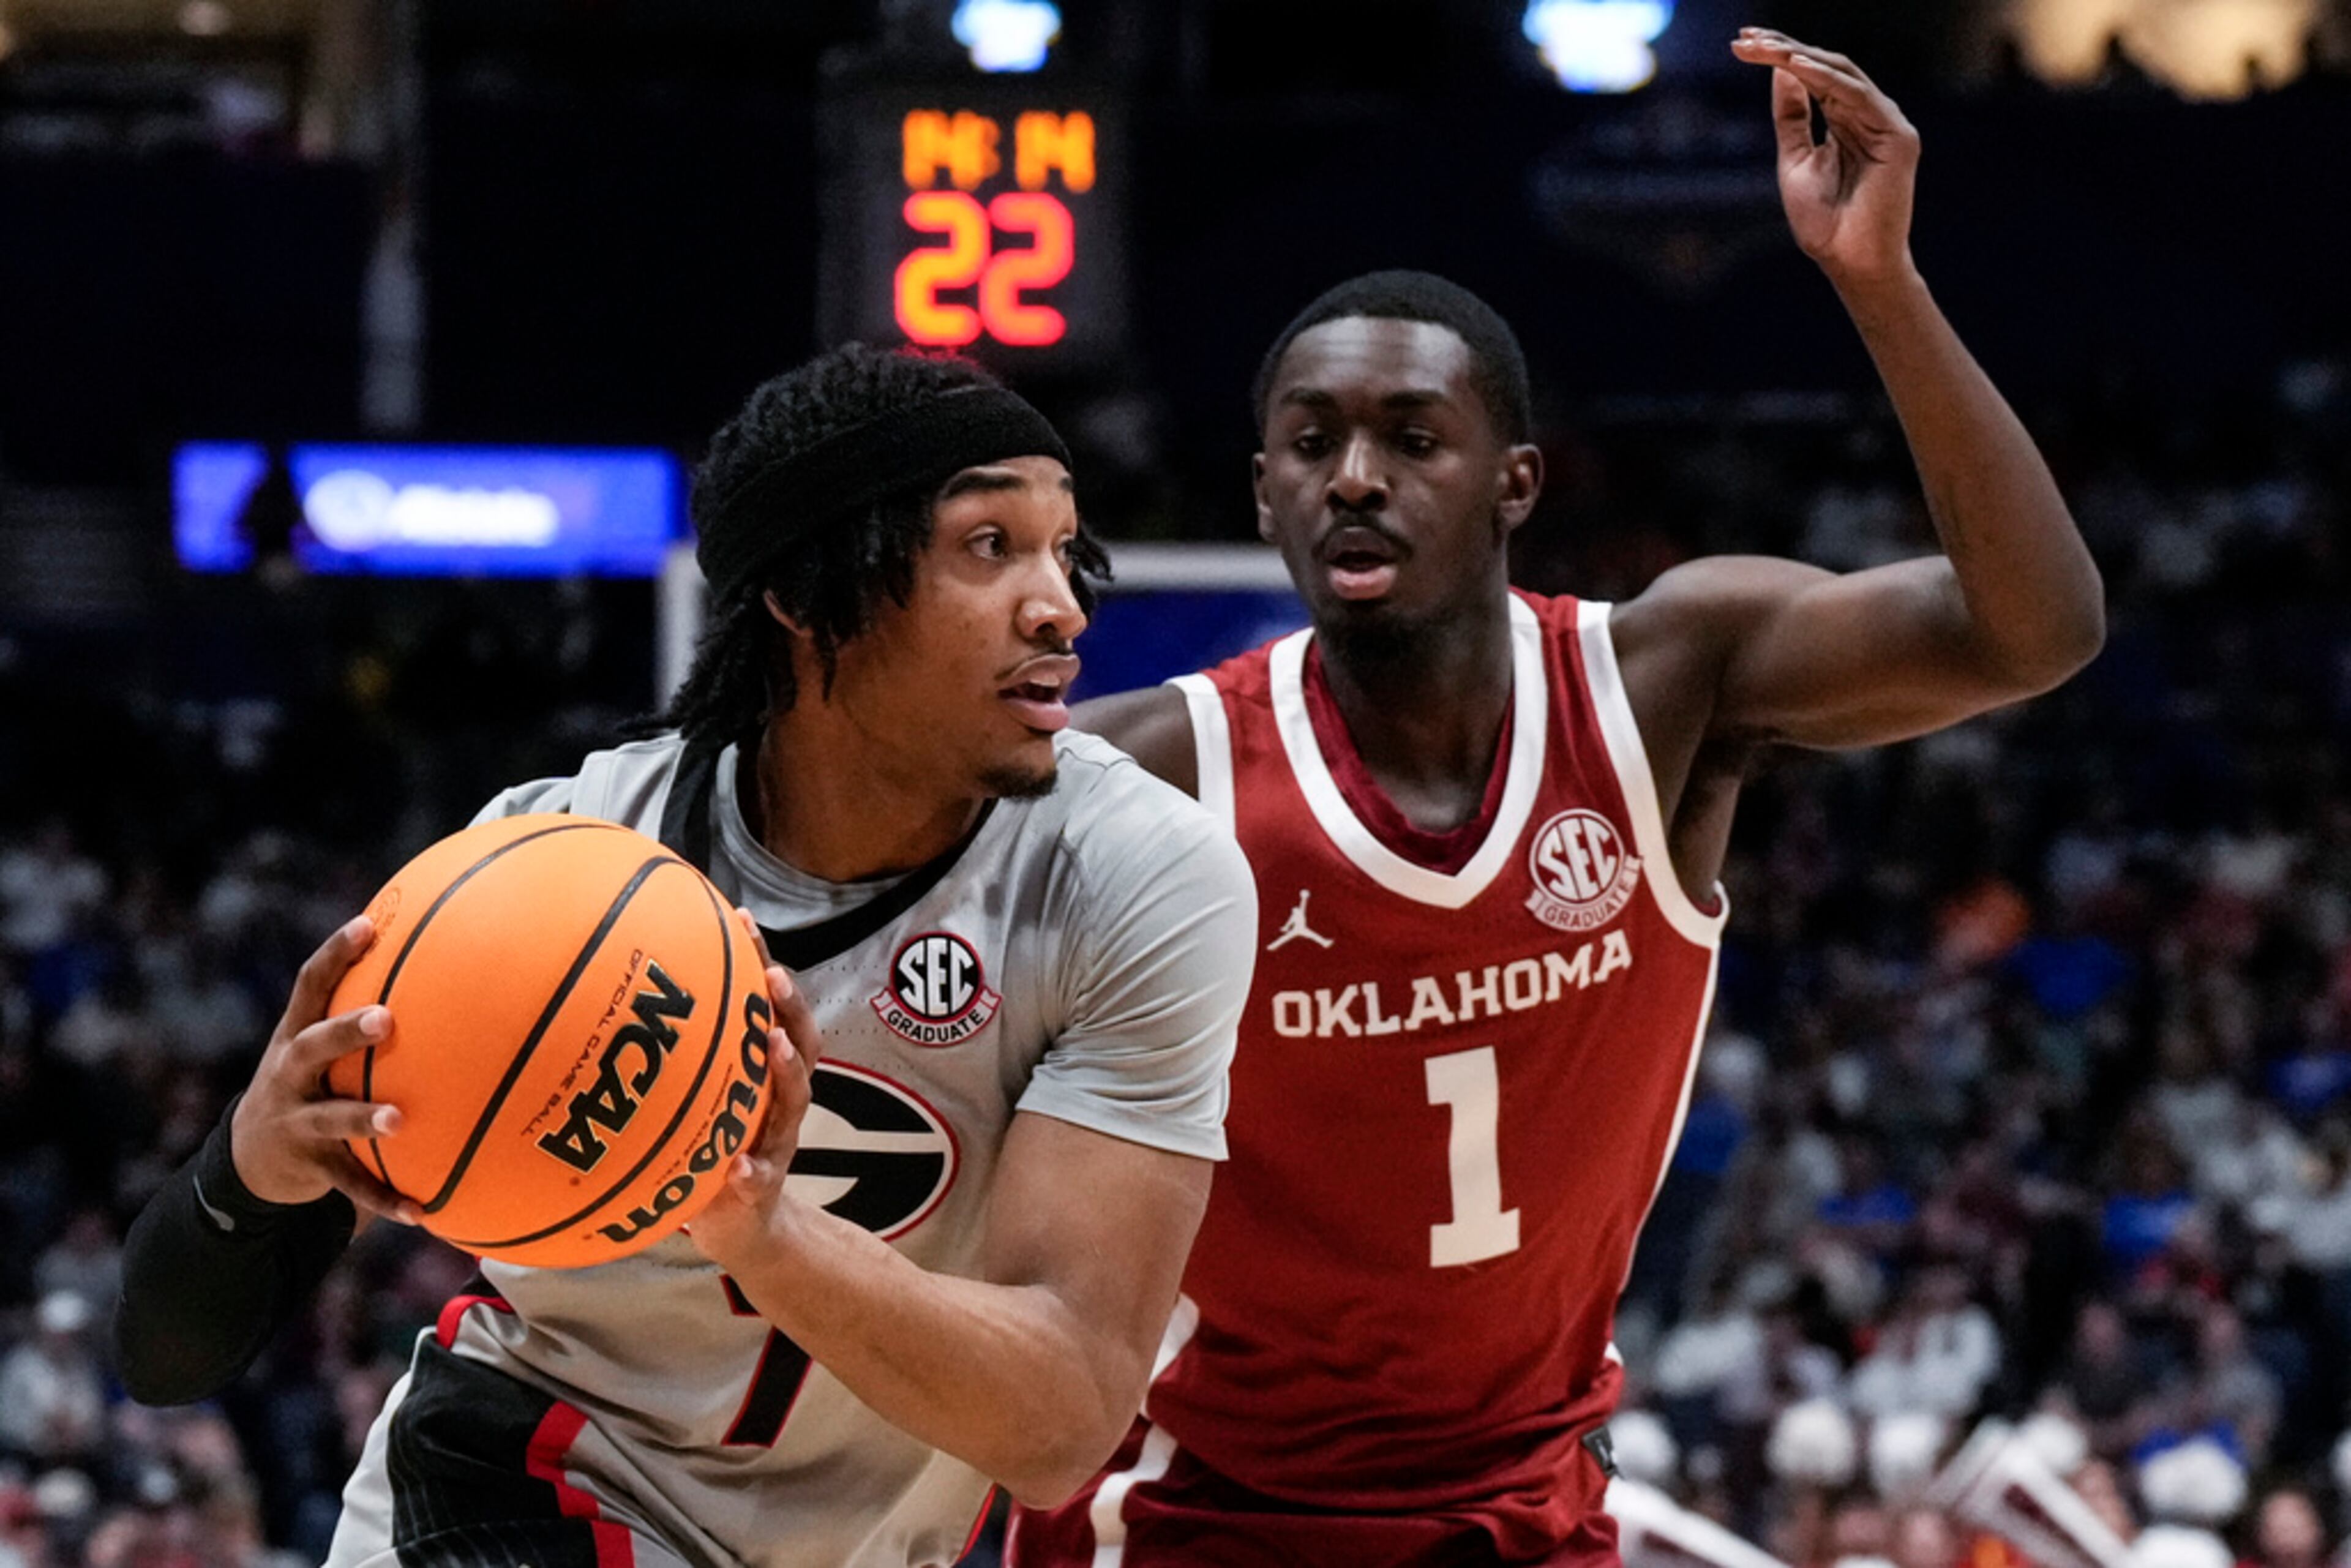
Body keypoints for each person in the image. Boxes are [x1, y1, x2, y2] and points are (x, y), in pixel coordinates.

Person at [1010, 28, 2105, 1568]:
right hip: (1192, 1513)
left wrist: (1882, 285)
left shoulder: (1666, 684)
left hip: (1524, 1512)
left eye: (1410, 438)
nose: (1355, 479)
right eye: (1311, 446)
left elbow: (2035, 631)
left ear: (1516, 481)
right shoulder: (1150, 771)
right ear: (1263, 496)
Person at [113, 345, 1260, 1568]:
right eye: (990, 547)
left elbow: (1062, 1425)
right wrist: (251, 1169)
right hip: (522, 1489)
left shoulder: (1136, 871)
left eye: (1063, 547)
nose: (1063, 607)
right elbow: (169, 1354)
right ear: (812, 594)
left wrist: (757, 1228)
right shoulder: (553, 865)